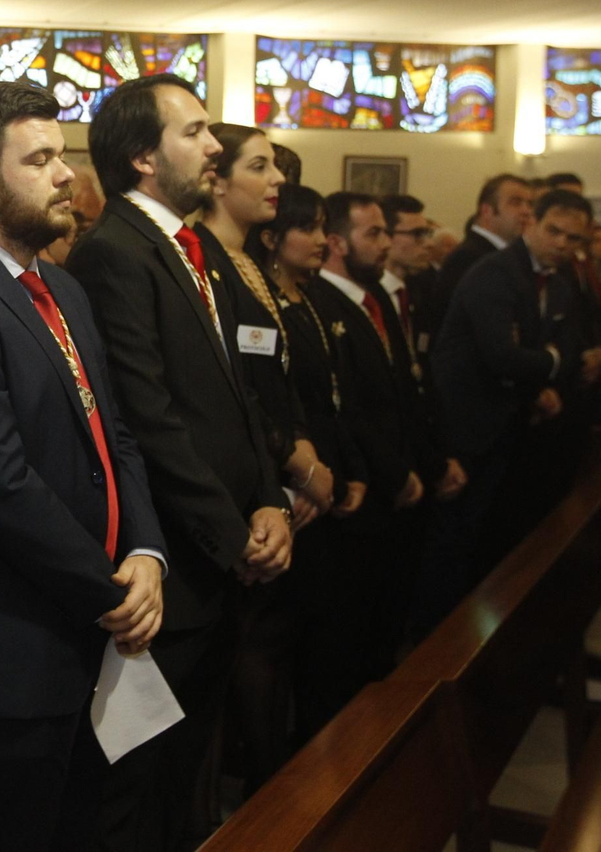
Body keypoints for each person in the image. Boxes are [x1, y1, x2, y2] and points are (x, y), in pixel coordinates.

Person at [0, 82, 166, 852]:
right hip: (13, 648)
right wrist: (110, 588)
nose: (64, 177)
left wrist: (146, 549)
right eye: (41, 159)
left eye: (64, 156)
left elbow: (113, 434)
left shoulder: (64, 288)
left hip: (94, 631)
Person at [66, 73, 290, 852]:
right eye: (193, 131)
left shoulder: (192, 248)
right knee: (145, 786)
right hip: (179, 567)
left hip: (222, 556)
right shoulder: (116, 253)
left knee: (191, 773)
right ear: (141, 157)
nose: (214, 145)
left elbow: (237, 395)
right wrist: (234, 536)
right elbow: (150, 417)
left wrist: (271, 502)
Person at [196, 124, 334, 796]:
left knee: (270, 648)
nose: (279, 179)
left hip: (280, 476)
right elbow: (232, 389)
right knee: (239, 657)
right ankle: (256, 800)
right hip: (247, 484)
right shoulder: (205, 260)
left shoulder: (246, 259)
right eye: (261, 166)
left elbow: (279, 373)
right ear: (216, 179)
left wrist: (302, 451)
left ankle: (270, 786)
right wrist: (289, 463)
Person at [423, 189, 595, 626]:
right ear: (530, 223)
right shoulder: (495, 273)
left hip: (510, 422)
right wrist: (549, 365)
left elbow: (572, 344)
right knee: (454, 540)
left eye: (573, 238)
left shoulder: (557, 280)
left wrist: (545, 367)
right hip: (466, 425)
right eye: (553, 231)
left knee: (491, 537)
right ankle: (437, 644)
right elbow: (503, 354)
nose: (561, 244)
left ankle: (476, 635)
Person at [309, 193, 462, 659]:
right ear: (337, 242)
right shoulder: (324, 304)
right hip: (365, 495)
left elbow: (405, 391)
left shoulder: (375, 299)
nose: (383, 245)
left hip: (397, 488)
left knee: (385, 629)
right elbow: (348, 409)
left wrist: (426, 464)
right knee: (350, 638)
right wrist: (394, 473)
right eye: (372, 233)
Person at [246, 185, 369, 736]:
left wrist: (350, 473)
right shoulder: (261, 303)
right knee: (277, 641)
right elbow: (268, 403)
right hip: (293, 493)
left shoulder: (310, 298)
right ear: (272, 238)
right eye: (310, 229)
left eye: (325, 228)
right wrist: (303, 480)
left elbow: (337, 398)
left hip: (326, 487)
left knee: (323, 636)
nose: (323, 240)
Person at [429, 174, 533, 333]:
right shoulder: (470, 257)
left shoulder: (502, 255)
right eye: (516, 202)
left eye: (529, 204)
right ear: (487, 211)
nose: (526, 211)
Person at [378, 194, 436, 376]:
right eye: (417, 234)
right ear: (386, 236)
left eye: (427, 234)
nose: (429, 244)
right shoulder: (369, 296)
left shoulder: (421, 289)